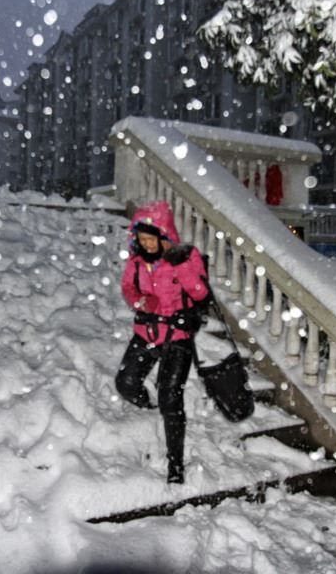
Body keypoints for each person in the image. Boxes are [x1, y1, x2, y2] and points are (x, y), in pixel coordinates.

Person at [116, 201, 209, 484]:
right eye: (141, 239)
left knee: (171, 398)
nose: (147, 244)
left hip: (178, 338)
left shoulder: (186, 256)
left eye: (151, 238)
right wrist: (142, 300)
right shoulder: (136, 261)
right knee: (126, 383)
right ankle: (148, 408)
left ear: (163, 234)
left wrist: (178, 262)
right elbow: (128, 289)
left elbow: (200, 292)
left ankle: (176, 466)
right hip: (147, 333)